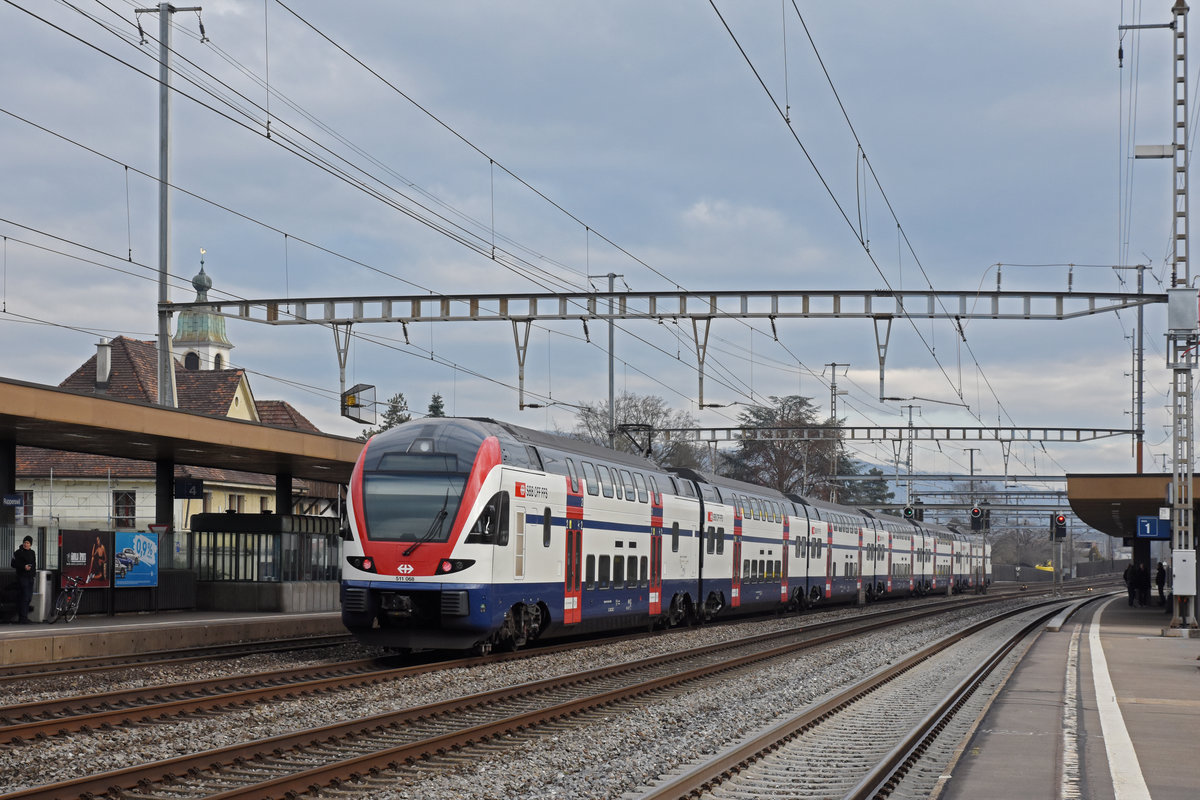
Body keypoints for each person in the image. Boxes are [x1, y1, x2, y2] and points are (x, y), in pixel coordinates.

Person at [10, 535, 36, 624]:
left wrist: (33, 574)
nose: (26, 544)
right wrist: (23, 567)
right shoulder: (18, 552)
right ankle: (22, 618)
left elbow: (34, 564)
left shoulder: (32, 552)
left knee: (29, 598)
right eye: (25, 542)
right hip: (22, 577)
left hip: (30, 578)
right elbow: (13, 564)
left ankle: (24, 617)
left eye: (28, 543)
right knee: (24, 597)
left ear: (30, 544)